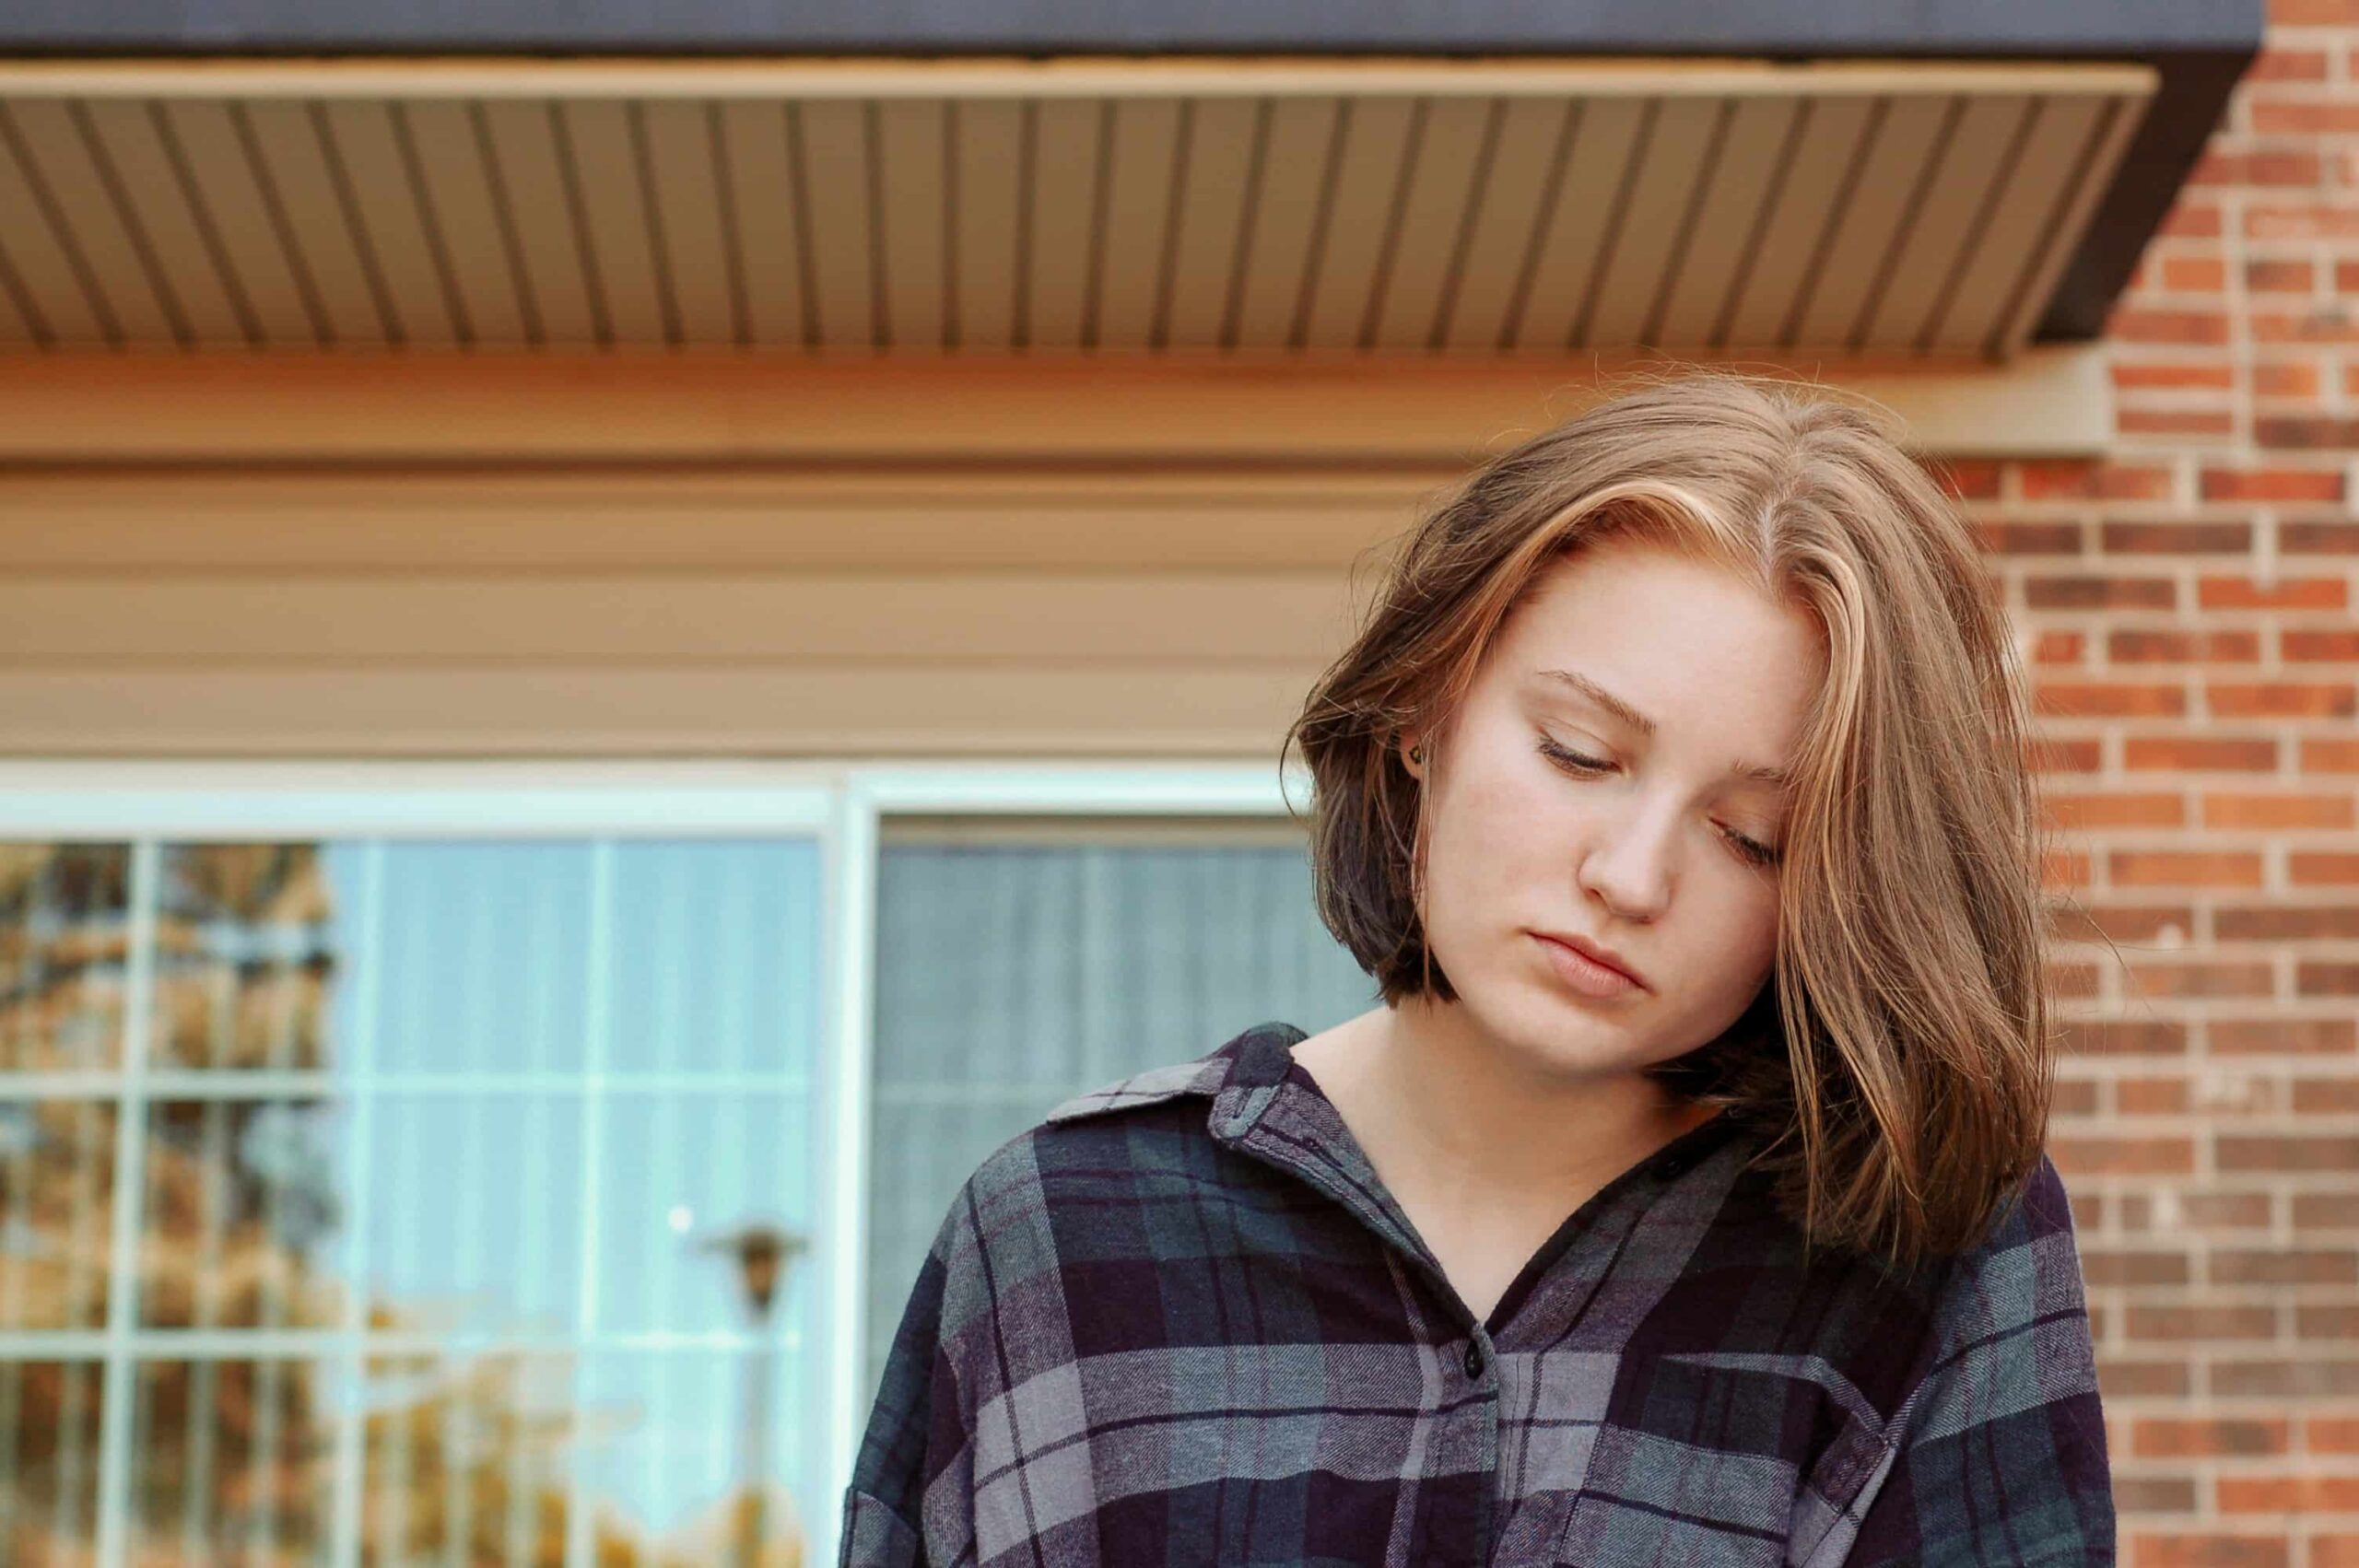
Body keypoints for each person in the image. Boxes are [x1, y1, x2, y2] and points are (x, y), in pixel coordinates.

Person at [839, 369, 2114, 1567]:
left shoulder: (1924, 1246)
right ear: (1424, 710)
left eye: (1749, 836)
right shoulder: (1061, 1232)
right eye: (1578, 753)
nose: (1630, 877)